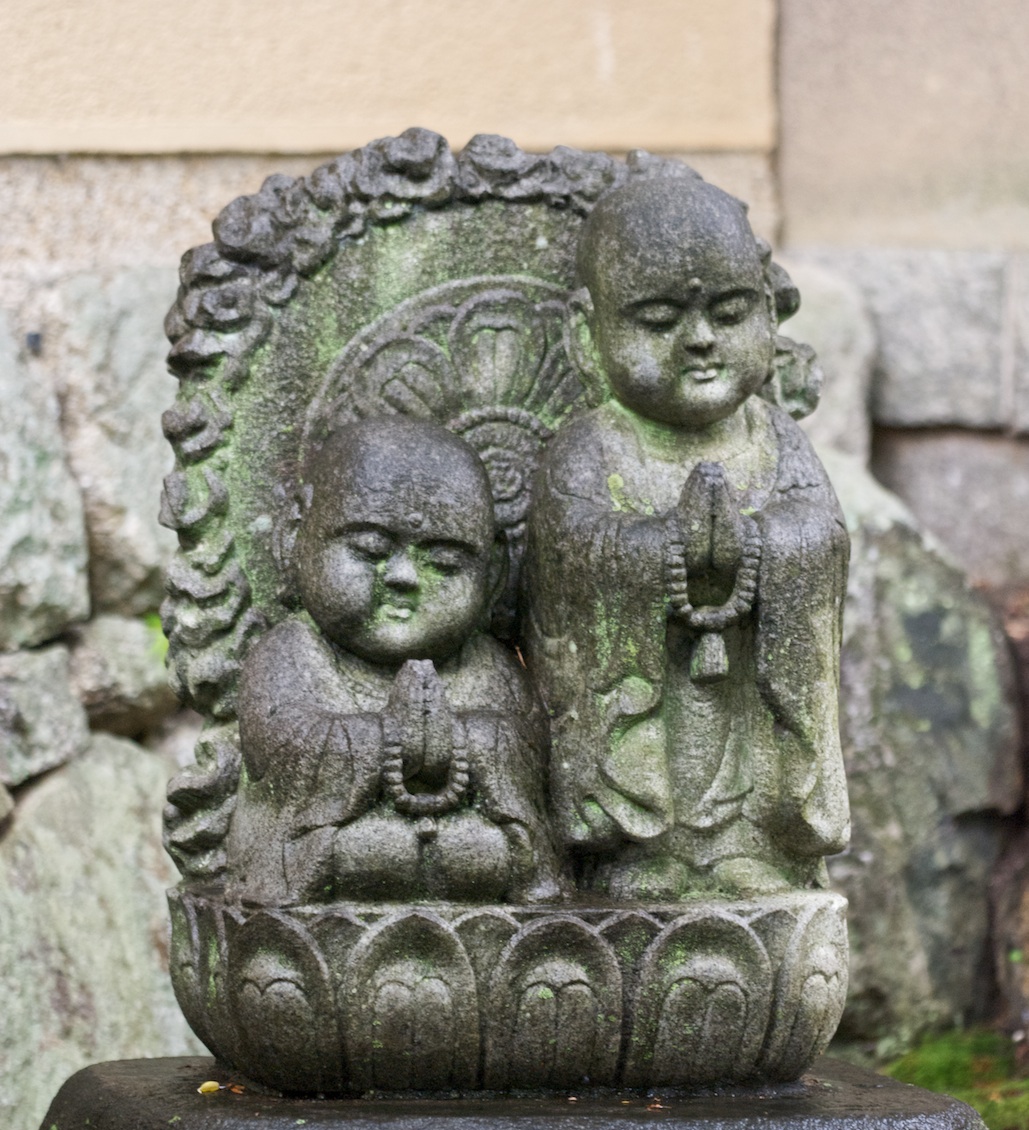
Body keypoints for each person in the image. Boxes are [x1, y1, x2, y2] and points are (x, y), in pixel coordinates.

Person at [524, 172, 850, 901]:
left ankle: (751, 845)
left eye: (729, 313)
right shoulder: (589, 447)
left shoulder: (776, 438)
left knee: (746, 765)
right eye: (658, 319)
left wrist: (759, 547)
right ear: (586, 334)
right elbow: (570, 550)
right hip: (644, 694)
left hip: (746, 682)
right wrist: (661, 551)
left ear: (768, 313)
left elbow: (821, 536)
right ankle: (642, 851)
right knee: (653, 777)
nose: (700, 339)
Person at [228, 416, 560, 904]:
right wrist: (393, 735)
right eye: (370, 550)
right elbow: (283, 744)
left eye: (445, 562)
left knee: (484, 849)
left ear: (493, 572)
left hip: (462, 840)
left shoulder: (488, 664)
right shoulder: (293, 651)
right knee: (365, 849)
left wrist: (455, 738)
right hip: (329, 843)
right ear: (294, 538)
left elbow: (525, 748)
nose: (404, 576)